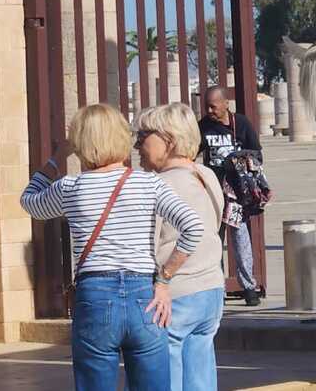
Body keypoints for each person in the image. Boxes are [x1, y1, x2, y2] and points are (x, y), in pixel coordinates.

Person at [20, 103, 204, 391]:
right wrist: (165, 280)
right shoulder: (149, 184)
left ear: (81, 142)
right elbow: (193, 227)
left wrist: (57, 157)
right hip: (145, 295)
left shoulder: (70, 188)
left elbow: (29, 201)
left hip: (94, 295)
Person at [133, 103, 225, 391]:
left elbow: (148, 242)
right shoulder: (206, 175)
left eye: (144, 135)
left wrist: (163, 278)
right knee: (200, 376)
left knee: (165, 378)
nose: (137, 144)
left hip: (175, 295)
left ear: (168, 140)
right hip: (211, 289)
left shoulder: (158, 186)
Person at [198, 86, 262, 306]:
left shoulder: (241, 124)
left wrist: (241, 161)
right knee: (215, 240)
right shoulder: (203, 126)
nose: (209, 111)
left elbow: (257, 153)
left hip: (235, 194)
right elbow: (191, 152)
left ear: (226, 104)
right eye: (206, 106)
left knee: (241, 239)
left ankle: (249, 287)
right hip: (213, 193)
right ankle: (217, 287)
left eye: (213, 106)